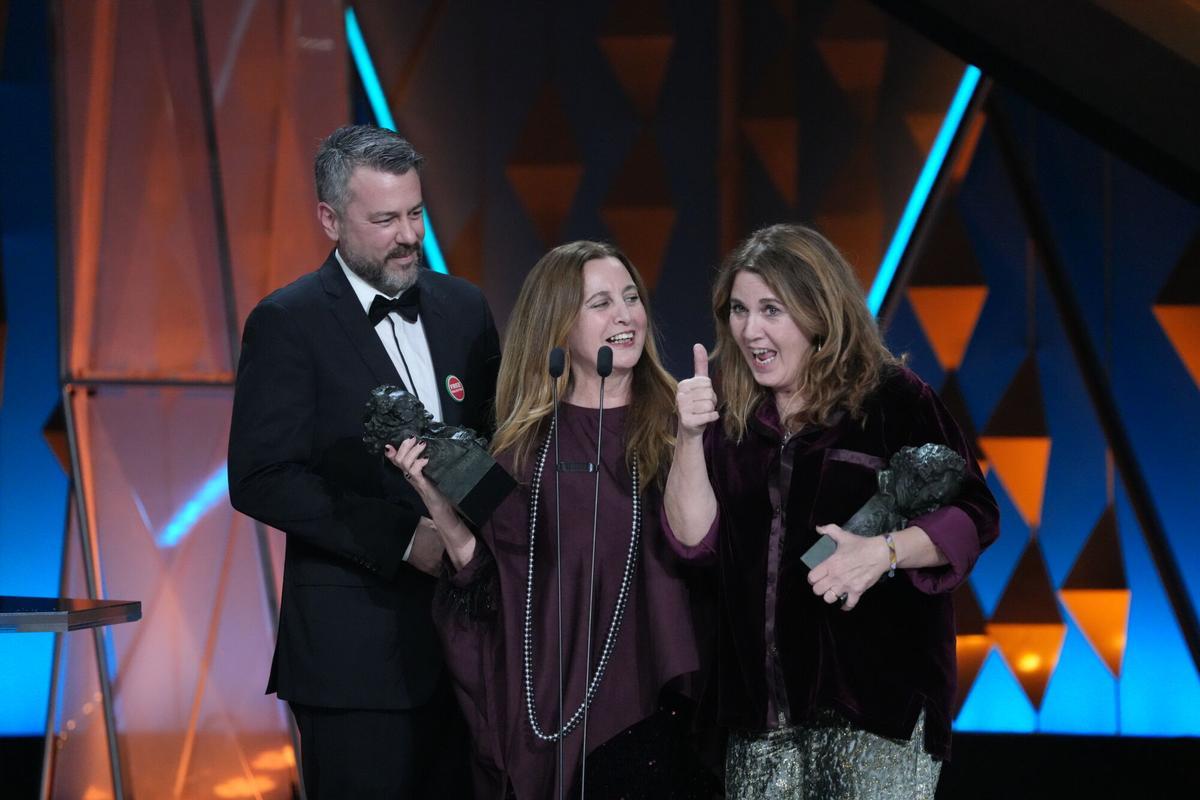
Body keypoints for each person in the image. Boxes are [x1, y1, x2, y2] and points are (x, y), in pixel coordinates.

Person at [663, 223, 999, 799]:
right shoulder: (729, 413)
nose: (750, 329)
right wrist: (690, 436)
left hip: (875, 715)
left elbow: (974, 514)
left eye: (772, 310)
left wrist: (883, 553)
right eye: (740, 310)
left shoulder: (892, 398)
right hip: (760, 717)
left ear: (818, 312)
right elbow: (695, 542)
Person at [387, 240, 717, 799]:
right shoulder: (518, 453)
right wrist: (438, 506)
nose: (625, 316)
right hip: (548, 726)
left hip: (658, 725)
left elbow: (700, 544)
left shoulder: (681, 427)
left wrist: (689, 438)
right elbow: (488, 583)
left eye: (631, 297)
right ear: (557, 325)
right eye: (600, 303)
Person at [227, 124, 501, 797]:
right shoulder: (287, 322)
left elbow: (494, 449)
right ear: (330, 219)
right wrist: (406, 538)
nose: (409, 235)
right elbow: (261, 477)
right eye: (385, 220)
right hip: (355, 663)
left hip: (473, 653)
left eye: (415, 213)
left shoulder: (465, 308)